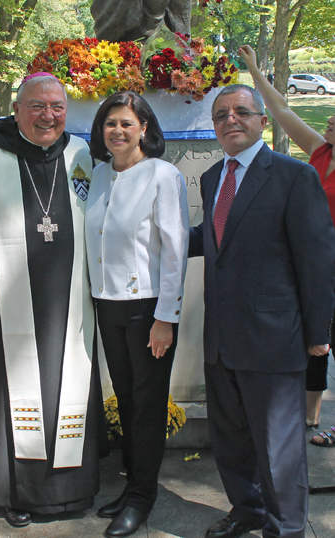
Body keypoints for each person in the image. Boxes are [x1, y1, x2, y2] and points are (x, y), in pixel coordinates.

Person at [0, 72, 104, 527]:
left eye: (57, 106)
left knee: (70, 393)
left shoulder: (81, 154)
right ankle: (17, 493)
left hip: (72, 307)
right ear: (16, 109)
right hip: (8, 309)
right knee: (14, 400)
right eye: (37, 106)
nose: (48, 115)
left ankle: (73, 488)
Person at [189, 84, 335, 538]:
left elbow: (316, 259)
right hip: (221, 338)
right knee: (231, 440)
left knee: (279, 449)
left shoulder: (294, 176)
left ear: (261, 121)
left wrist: (317, 333)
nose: (230, 120)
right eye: (221, 115)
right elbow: (210, 240)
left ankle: (286, 527)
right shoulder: (212, 177)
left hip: (274, 338)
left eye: (241, 112)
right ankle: (247, 510)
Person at [85, 91, 189, 538]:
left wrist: (166, 316)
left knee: (147, 406)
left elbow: (174, 250)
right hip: (106, 305)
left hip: (148, 310)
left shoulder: (163, 176)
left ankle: (143, 497)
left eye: (127, 123)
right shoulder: (98, 175)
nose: (118, 131)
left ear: (144, 127)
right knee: (126, 401)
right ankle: (132, 486)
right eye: (110, 123)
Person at [240, 45, 335, 445]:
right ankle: (311, 415)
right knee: (313, 338)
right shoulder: (321, 151)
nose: (330, 118)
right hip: (313, 263)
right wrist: (254, 70)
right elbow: (282, 111)